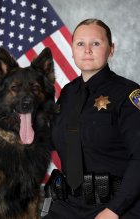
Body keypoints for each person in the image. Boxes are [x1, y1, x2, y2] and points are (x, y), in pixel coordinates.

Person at [43, 18, 140, 219]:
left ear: (111, 49)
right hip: (69, 205)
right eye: (80, 44)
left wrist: (114, 210)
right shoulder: (68, 93)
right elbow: (53, 141)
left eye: (95, 43)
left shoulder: (128, 94)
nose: (87, 50)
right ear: (72, 50)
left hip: (118, 205)